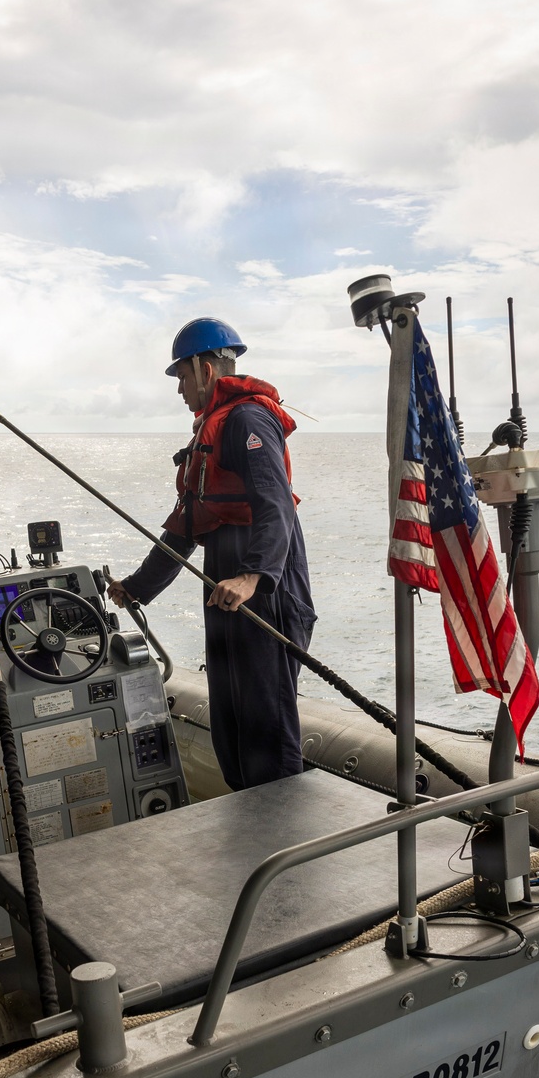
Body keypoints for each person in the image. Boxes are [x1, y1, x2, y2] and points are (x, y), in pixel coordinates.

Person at [109, 317, 316, 791]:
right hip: (224, 584)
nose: (180, 389)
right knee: (231, 723)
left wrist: (252, 577)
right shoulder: (209, 430)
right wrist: (136, 588)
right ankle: (251, 836)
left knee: (265, 726)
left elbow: (276, 504)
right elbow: (186, 527)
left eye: (181, 376)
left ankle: (283, 840)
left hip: (266, 589)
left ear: (204, 368)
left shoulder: (246, 419)